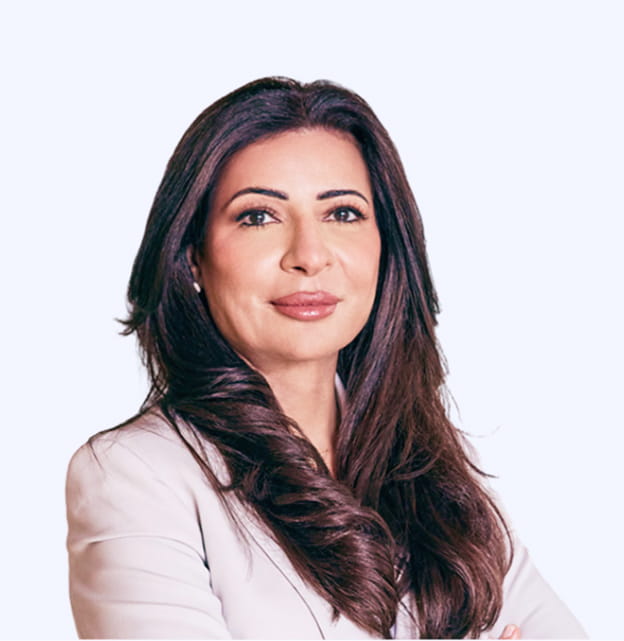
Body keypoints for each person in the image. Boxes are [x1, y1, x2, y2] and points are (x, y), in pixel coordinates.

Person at [66, 77, 586, 639]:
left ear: (386, 246)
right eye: (258, 216)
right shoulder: (135, 474)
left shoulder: (436, 466)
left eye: (342, 214)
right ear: (192, 255)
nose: (309, 256)